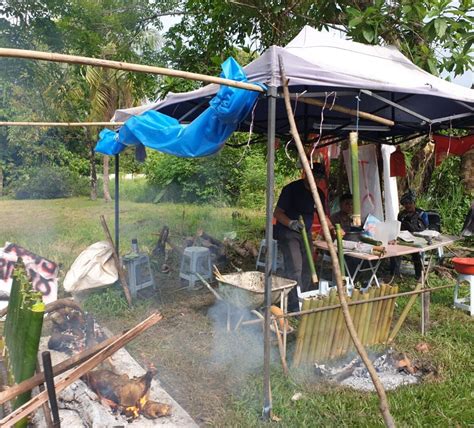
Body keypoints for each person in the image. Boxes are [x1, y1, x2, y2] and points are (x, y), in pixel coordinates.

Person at [274, 163, 335, 312]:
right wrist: (291, 223)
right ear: (306, 173)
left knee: (308, 268)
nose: (316, 179)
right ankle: (293, 304)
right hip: (288, 232)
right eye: (314, 175)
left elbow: (322, 216)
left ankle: (303, 298)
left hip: (305, 233)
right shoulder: (291, 189)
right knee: (296, 267)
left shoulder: (318, 194)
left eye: (320, 177)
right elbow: (278, 213)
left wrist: (333, 229)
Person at [390, 190, 428, 279]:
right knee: (395, 253)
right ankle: (394, 275)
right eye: (405, 204)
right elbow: (398, 227)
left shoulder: (422, 214)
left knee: (416, 255)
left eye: (409, 203)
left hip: (417, 239)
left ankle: (419, 275)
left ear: (414, 203)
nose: (408, 206)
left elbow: (426, 228)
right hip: (402, 239)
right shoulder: (401, 214)